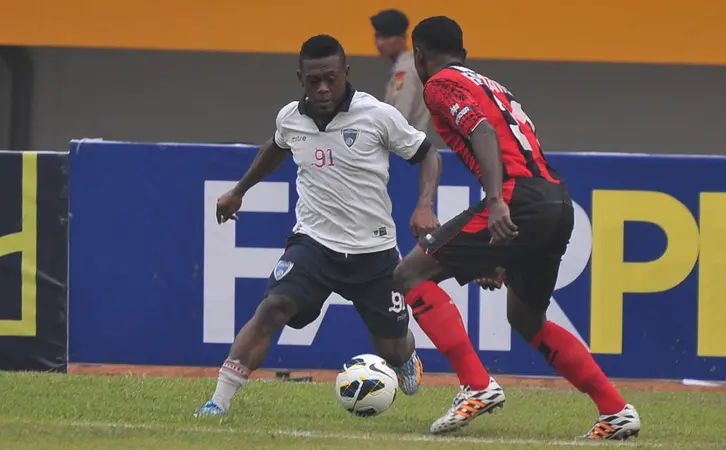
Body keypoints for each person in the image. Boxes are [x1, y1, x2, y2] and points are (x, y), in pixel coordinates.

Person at [393, 16, 642, 440]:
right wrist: (499, 253)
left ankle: (476, 385)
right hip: (555, 200)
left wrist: (495, 204)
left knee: (408, 274)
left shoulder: (439, 84)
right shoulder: (490, 84)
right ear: (464, 53)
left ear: (418, 55)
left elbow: (483, 131)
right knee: (526, 317)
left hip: (518, 198)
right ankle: (615, 410)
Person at [194, 34, 444, 417]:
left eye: (331, 78)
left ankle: (407, 357)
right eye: (314, 81)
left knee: (392, 347)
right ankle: (218, 402)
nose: (323, 88)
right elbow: (276, 146)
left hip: (373, 253)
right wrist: (239, 190)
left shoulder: (377, 115)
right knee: (272, 308)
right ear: (301, 79)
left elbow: (428, 153)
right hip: (314, 245)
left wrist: (425, 205)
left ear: (346, 73)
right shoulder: (291, 118)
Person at [370, 9, 431, 133]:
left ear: (403, 38)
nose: (380, 43)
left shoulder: (405, 71)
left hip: (406, 147)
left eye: (386, 37)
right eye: (378, 36)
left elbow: (398, 117)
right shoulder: (412, 64)